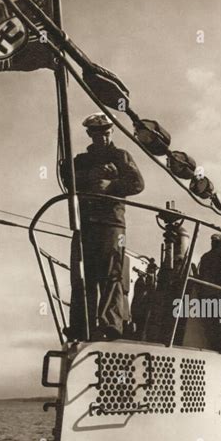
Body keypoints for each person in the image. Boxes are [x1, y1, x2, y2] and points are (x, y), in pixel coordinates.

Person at [67, 112, 144, 340]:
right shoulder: (81, 161)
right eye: (97, 133)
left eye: (106, 132)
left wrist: (111, 184)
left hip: (112, 223)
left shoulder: (121, 156)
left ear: (111, 132)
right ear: (90, 134)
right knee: (83, 276)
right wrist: (90, 176)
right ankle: (83, 327)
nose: (102, 137)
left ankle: (111, 325)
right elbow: (67, 179)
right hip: (86, 225)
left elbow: (137, 184)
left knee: (112, 274)